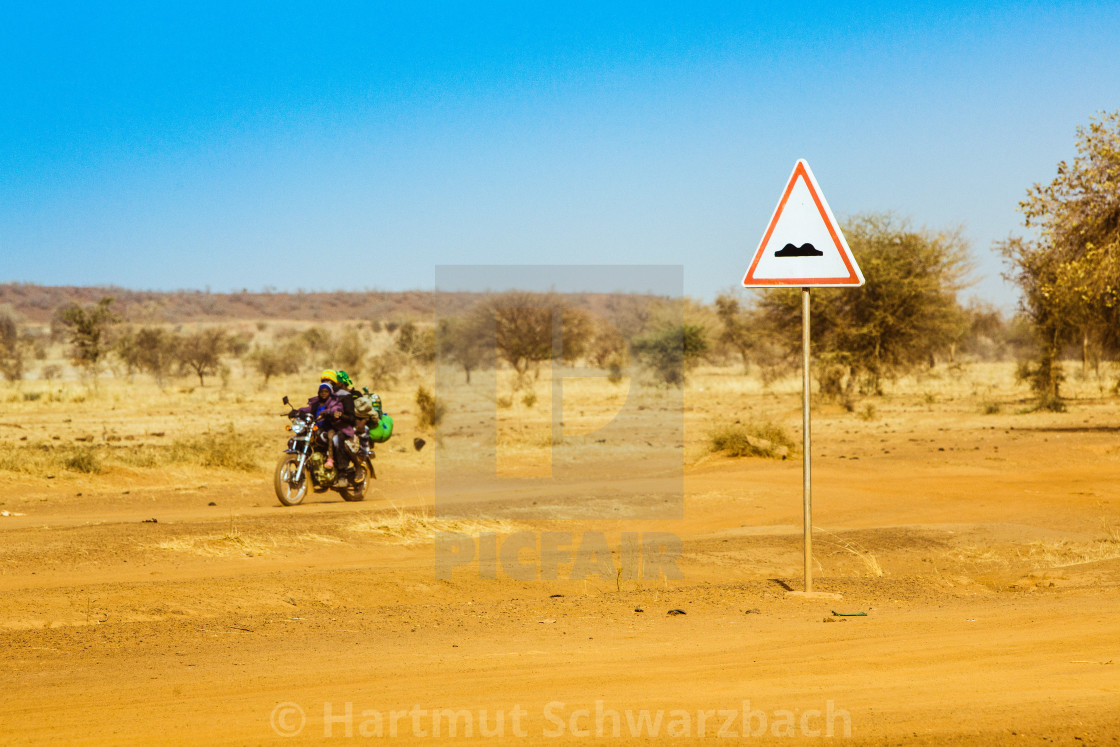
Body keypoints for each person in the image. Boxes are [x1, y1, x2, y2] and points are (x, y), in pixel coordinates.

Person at [298, 379, 342, 467]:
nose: (324, 393)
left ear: (330, 392)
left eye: (326, 391)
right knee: (302, 435)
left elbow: (336, 409)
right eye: (321, 391)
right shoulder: (316, 403)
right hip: (316, 427)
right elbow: (308, 409)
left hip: (329, 427)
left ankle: (330, 459)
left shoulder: (333, 402)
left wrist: (327, 412)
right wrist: (298, 411)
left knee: (330, 437)